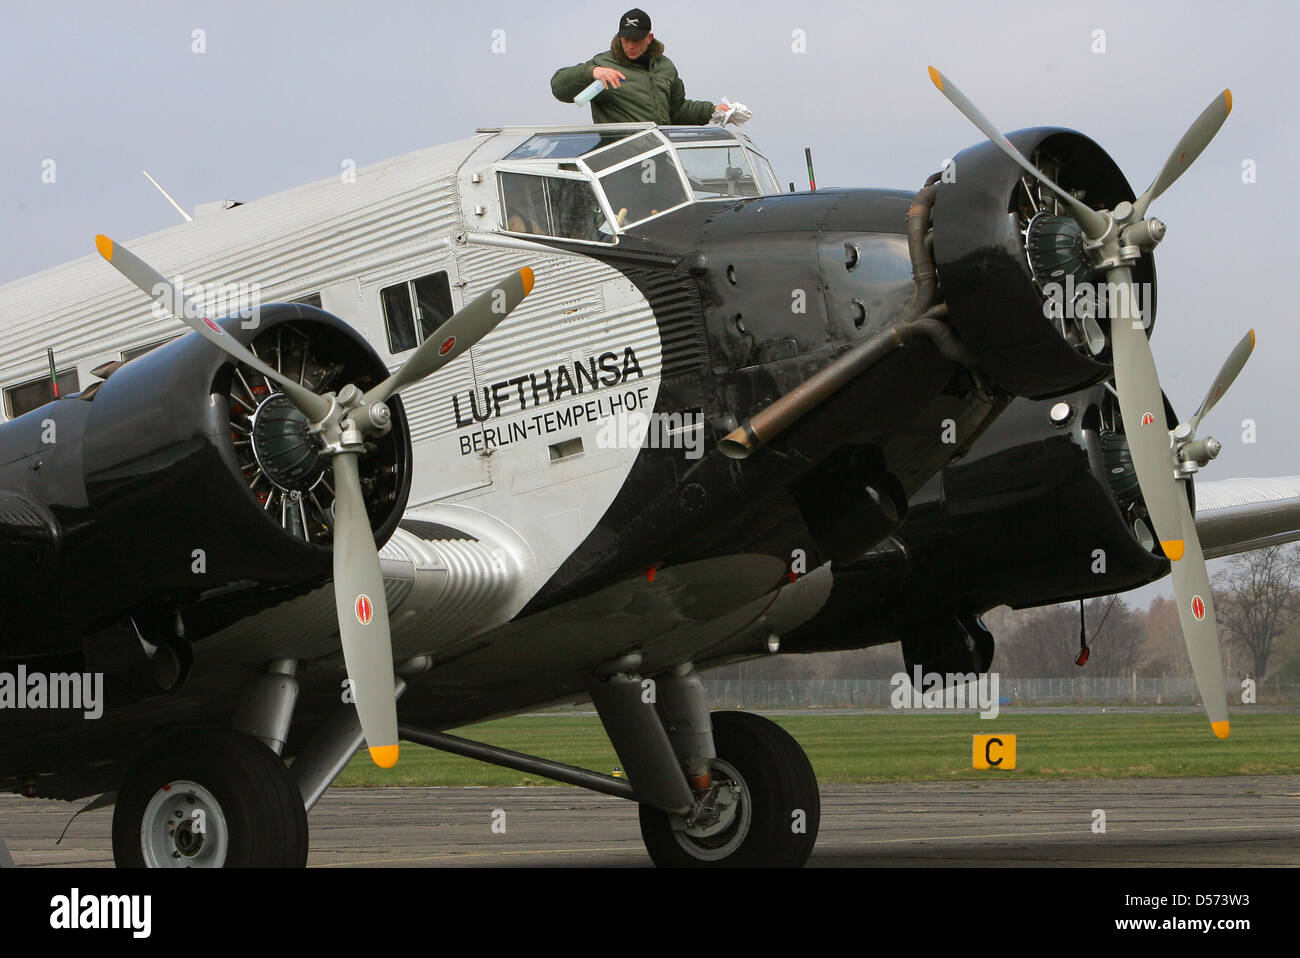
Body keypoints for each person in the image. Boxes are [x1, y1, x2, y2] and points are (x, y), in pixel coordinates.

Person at [551, 8, 724, 125]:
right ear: (620, 37)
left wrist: (714, 111)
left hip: (660, 156)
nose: (631, 46)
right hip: (620, 158)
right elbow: (559, 87)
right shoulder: (604, 64)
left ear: (649, 38)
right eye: (626, 39)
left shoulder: (665, 67)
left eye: (637, 40)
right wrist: (592, 72)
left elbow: (677, 110)